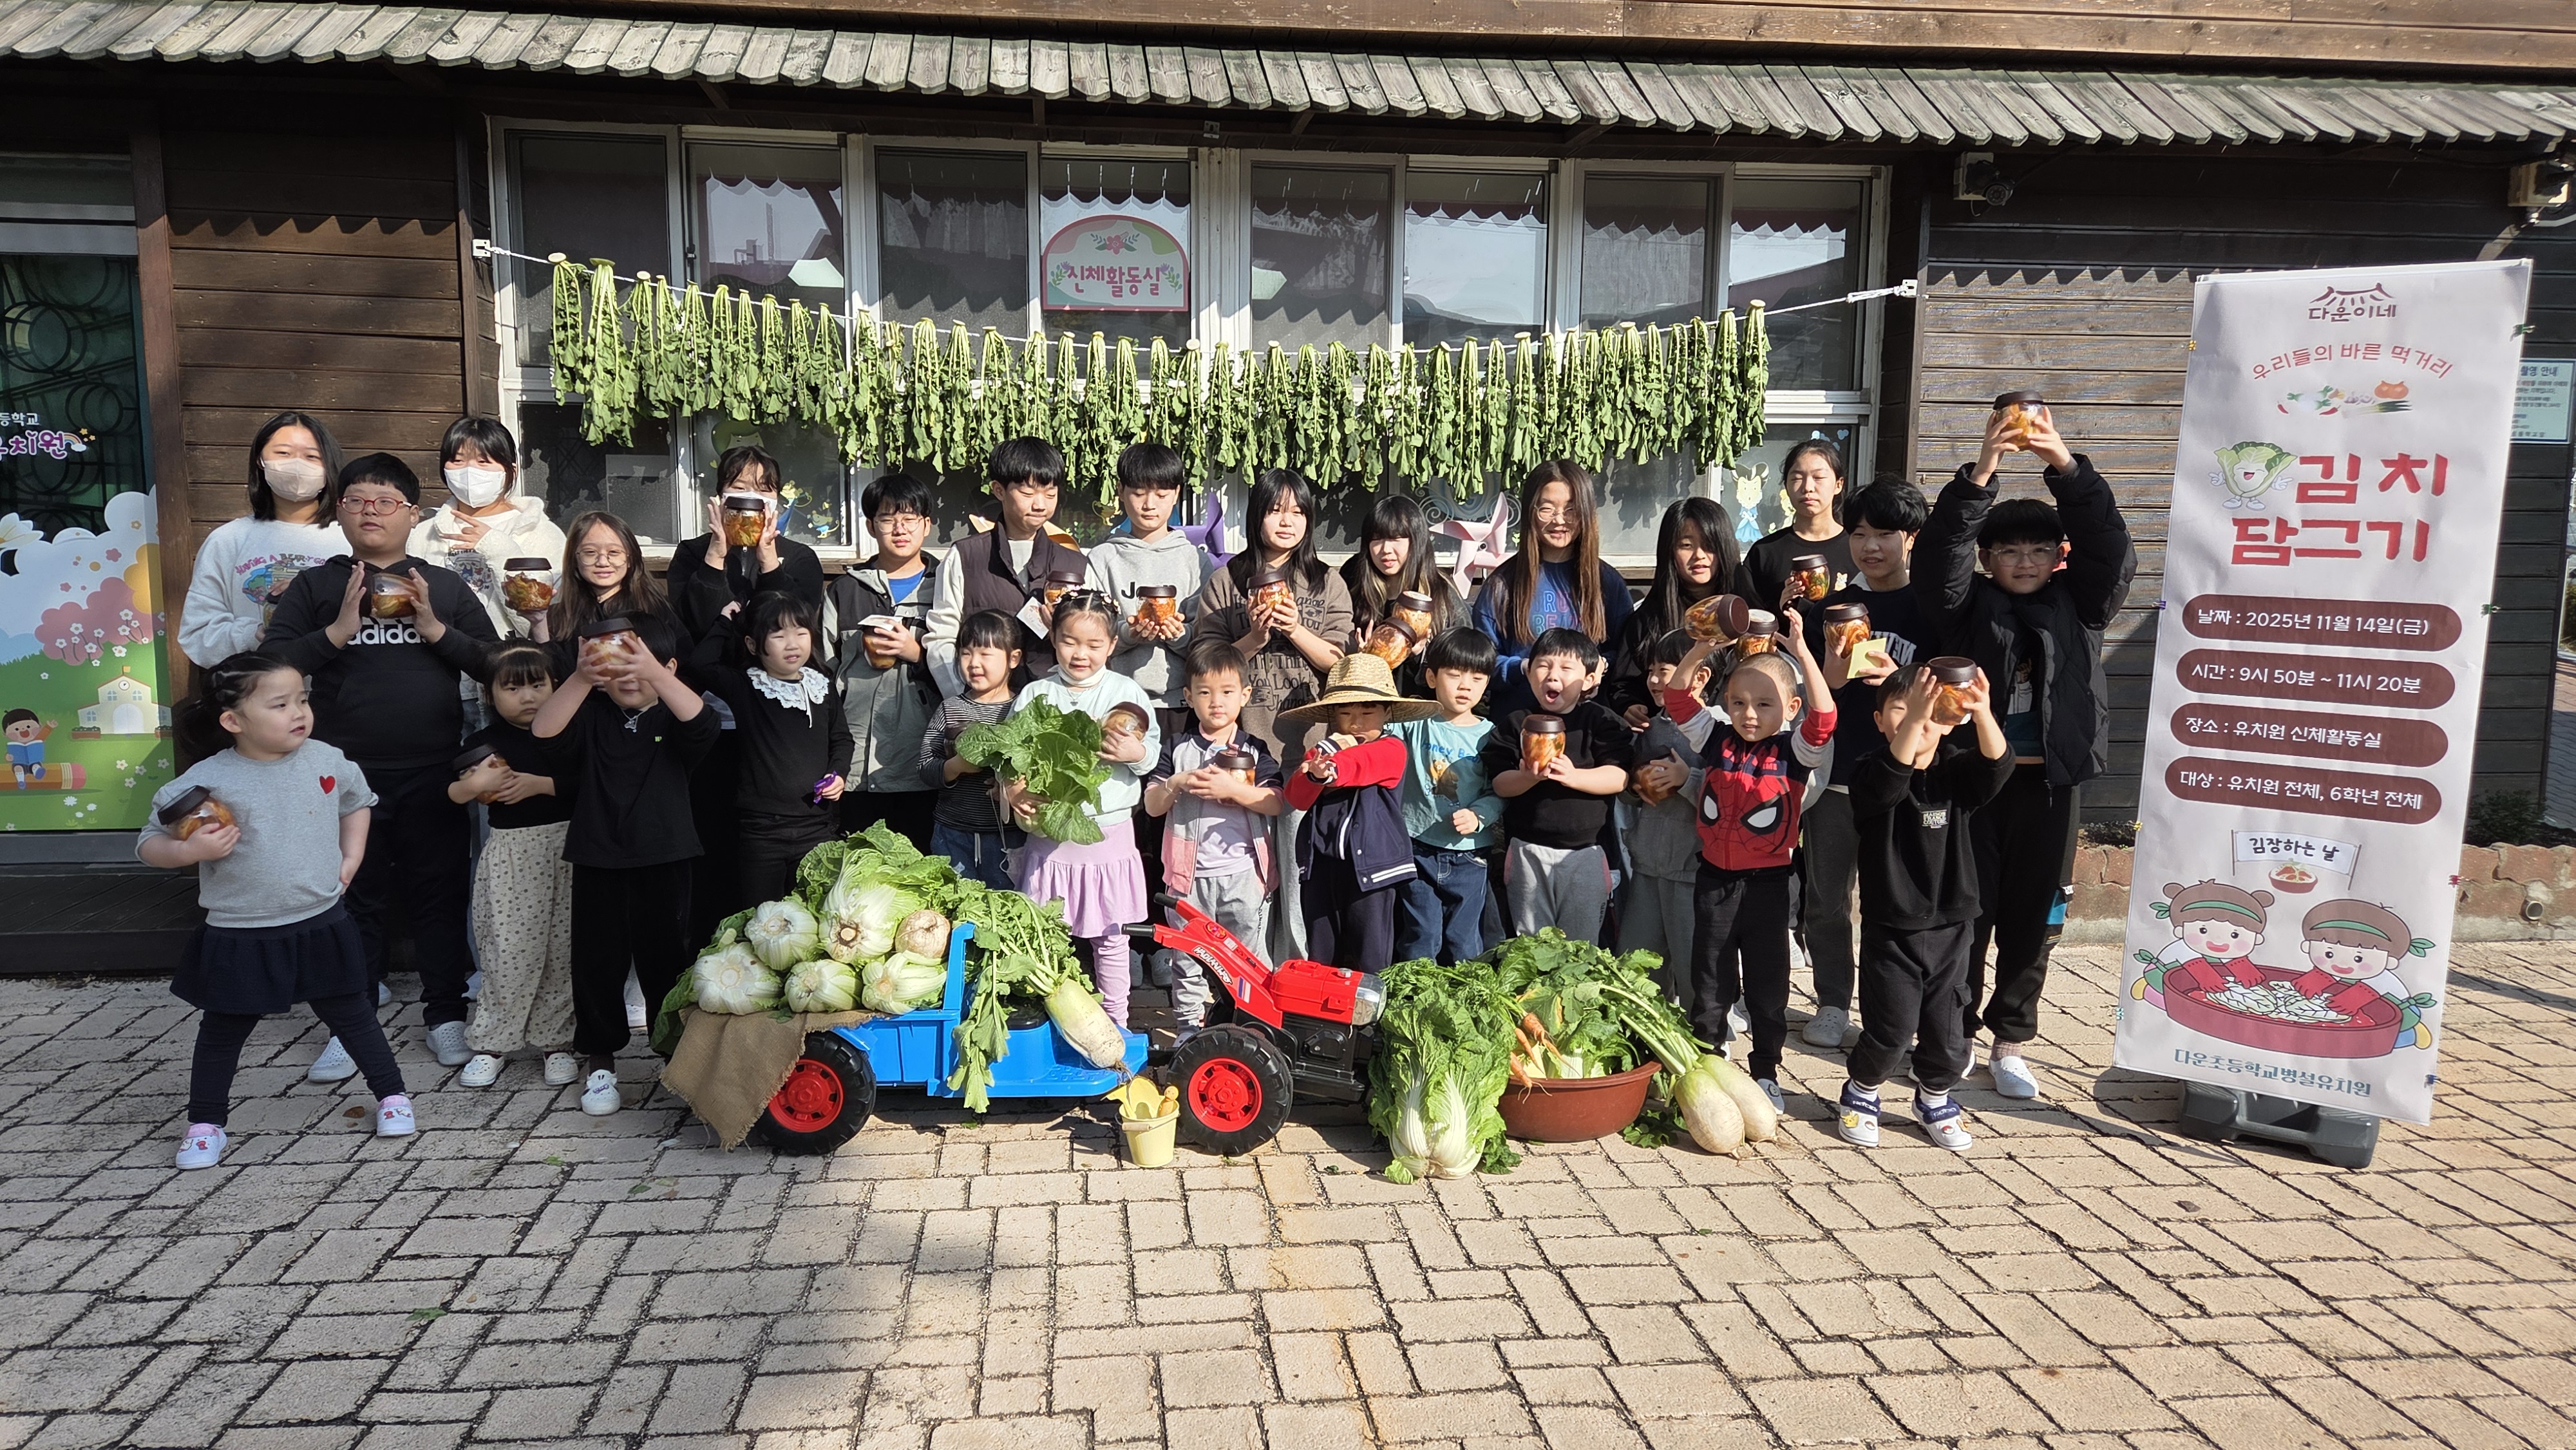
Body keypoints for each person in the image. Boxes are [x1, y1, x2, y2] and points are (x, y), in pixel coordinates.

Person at [1916, 404, 2136, 1100]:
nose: (2023, 561)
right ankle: (1950, 1031)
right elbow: (1939, 554)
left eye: (2038, 550)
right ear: (1988, 558)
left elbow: (2110, 545)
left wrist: (2062, 463)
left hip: (2050, 786)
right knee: (1964, 910)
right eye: (2008, 550)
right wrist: (1982, 468)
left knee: (2033, 917)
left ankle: (2010, 1038)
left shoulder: (2084, 602)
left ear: (2057, 556)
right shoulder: (1963, 603)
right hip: (1974, 784)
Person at [260, 453, 498, 1078]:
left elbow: (497, 665)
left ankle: (445, 1015)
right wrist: (339, 629)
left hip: (432, 771)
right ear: (339, 510)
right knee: (351, 899)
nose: (370, 510)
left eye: (385, 501)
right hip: (341, 775)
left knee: (439, 896)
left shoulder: (442, 584)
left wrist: (433, 626)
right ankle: (352, 1022)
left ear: (412, 514)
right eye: (358, 499)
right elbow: (273, 662)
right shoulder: (316, 585)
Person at [140, 652, 408, 1169]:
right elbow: (150, 841)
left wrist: (351, 856)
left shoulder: (326, 758)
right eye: (280, 704)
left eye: (302, 699)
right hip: (240, 930)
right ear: (233, 721)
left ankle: (393, 1098)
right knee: (222, 1030)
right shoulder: (207, 780)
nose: (298, 712)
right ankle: (205, 1125)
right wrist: (188, 852)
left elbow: (357, 801)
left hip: (320, 920)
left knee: (353, 1015)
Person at [533, 612, 719, 1116]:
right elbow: (544, 733)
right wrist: (581, 676)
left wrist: (655, 672)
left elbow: (704, 723)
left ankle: (675, 1059)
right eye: (619, 668)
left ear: (670, 668)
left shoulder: (674, 717)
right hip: (598, 856)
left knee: (666, 962)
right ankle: (600, 1062)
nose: (630, 678)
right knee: (597, 964)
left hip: (666, 857)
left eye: (645, 666)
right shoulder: (593, 714)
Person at [1658, 623, 1837, 1113]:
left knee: (1766, 983)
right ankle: (1711, 1058)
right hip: (1714, 880)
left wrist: (1801, 652)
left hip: (1769, 886)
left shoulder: (1795, 752)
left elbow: (1824, 718)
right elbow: (1678, 699)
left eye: (1764, 704)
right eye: (1738, 702)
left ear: (1790, 710)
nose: (1749, 714)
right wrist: (1700, 649)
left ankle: (1766, 1070)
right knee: (1710, 976)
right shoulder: (1717, 739)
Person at [1840, 663, 2012, 1152]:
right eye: (1901, 712)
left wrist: (1982, 713)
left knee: (1950, 1032)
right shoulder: (1869, 772)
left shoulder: (1956, 770)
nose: (1918, 723)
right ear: (1879, 721)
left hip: (1953, 925)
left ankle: (1934, 1096)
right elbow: (1890, 784)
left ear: (1949, 721)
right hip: (1891, 928)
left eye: (1932, 715)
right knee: (1891, 1029)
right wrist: (1916, 719)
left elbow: (1996, 768)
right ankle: (1862, 1090)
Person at [1190, 468, 1352, 963]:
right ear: (1257, 513)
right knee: (1247, 876)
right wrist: (1256, 638)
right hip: (1243, 750)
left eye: (1298, 511)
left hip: (1307, 750)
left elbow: (1342, 665)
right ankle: (1243, 974)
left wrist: (1297, 630)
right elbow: (1205, 660)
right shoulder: (1226, 581)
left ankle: (1294, 971)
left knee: (1299, 875)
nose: (1287, 521)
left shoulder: (1329, 582)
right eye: (1276, 509)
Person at [1801, 477, 1930, 1050]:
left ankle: (1894, 1007)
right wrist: (1834, 668)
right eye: (1858, 534)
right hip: (1837, 777)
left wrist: (1899, 682)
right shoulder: (1831, 609)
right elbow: (1811, 696)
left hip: (1904, 781)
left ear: (1911, 538)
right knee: (1826, 897)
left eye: (1885, 534)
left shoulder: (1932, 605)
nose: (1870, 547)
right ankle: (1832, 1000)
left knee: (1895, 900)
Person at [1005, 593, 1160, 1029]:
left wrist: (1136, 751)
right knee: (1043, 937)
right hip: (1050, 836)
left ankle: (1116, 1024)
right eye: (1070, 641)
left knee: (1110, 940)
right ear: (1054, 639)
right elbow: (1011, 756)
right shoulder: (1038, 693)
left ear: (1112, 645)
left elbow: (1152, 758)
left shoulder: (1126, 692)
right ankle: (1047, 1025)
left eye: (1094, 645)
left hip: (1107, 834)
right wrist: (1016, 791)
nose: (1081, 653)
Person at [448, 644, 577, 1090]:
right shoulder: (482, 746)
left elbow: (590, 783)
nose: (528, 697)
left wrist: (539, 785)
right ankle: (492, 1043)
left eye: (538, 685)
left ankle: (556, 1042)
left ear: (556, 687)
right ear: (489, 695)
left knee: (562, 953)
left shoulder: (567, 735)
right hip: (512, 855)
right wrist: (476, 785)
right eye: (514, 687)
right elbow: (451, 793)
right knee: (507, 950)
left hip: (567, 850)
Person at [1143, 642, 1285, 1037]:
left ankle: (1249, 1024)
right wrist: (1178, 783)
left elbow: (1275, 802)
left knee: (1246, 958)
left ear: (1245, 695)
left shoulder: (1255, 750)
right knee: (1187, 958)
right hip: (1188, 881)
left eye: (1226, 692)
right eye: (1204, 693)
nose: (1216, 702)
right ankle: (1189, 1028)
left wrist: (1234, 789)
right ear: (1188, 697)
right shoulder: (1177, 748)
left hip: (1245, 875)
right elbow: (1153, 804)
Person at [699, 592, 853, 908]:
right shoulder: (746, 687)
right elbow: (699, 664)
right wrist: (724, 621)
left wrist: (838, 774)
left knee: (814, 917)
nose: (792, 644)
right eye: (779, 635)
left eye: (800, 633)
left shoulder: (821, 685)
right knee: (762, 919)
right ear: (754, 645)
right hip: (762, 833)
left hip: (817, 828)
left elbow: (842, 739)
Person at [1281, 654, 1434, 972]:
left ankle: (1368, 1020)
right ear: (1333, 716)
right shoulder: (1322, 751)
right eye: (1346, 713)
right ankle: (1319, 1018)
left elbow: (1358, 766)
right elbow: (1295, 796)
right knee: (1322, 954)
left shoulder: (1392, 748)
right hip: (1321, 866)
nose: (1356, 722)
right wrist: (1312, 774)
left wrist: (1326, 769)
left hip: (1372, 871)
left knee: (1371, 956)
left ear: (1387, 712)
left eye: (1368, 712)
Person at [1482, 628, 1635, 943]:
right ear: (1529, 671)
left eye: (1567, 669)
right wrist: (1527, 777)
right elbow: (1500, 783)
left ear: (1590, 680)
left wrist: (1574, 777)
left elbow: (1620, 777)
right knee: (1531, 940)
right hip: (1526, 849)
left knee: (1582, 942)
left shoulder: (1601, 722)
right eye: (1543, 665)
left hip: (1588, 852)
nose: (1553, 676)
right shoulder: (1516, 724)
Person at [178, 411, 347, 668]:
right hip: (259, 699)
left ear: (330, 466)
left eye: (312, 456)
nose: (297, 465)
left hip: (339, 696)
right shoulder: (228, 540)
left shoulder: (351, 538)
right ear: (260, 460)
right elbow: (197, 634)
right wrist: (253, 634)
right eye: (283, 453)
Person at [829, 473, 941, 851]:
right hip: (858, 762)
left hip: (922, 756)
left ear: (926, 525)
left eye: (910, 519)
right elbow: (822, 672)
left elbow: (967, 667)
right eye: (888, 519)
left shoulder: (945, 587)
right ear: (870, 525)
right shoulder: (846, 590)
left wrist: (917, 654)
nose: (900, 529)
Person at [927, 438, 1085, 693]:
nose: (1040, 504)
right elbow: (941, 638)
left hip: (1057, 708)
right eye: (1027, 493)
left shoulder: (1076, 564)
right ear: (999, 490)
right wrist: (967, 699)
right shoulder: (966, 557)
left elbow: (1093, 640)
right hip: (984, 710)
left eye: (1050, 493)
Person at [1476, 460, 1633, 716]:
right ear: (1530, 512)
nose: (1559, 520)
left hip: (1587, 733)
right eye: (1547, 509)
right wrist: (1523, 668)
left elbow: (1625, 653)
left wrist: (1600, 666)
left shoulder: (1607, 582)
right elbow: (1481, 662)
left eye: (1571, 509)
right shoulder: (1503, 584)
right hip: (1517, 727)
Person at [1385, 628, 1501, 966]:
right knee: (1422, 936)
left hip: (1470, 857)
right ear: (1431, 677)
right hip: (1417, 849)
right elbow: (1379, 716)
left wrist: (1479, 816)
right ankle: (1415, 1004)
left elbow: (1499, 791)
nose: (1466, 686)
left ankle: (1464, 1005)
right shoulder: (1414, 721)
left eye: (1478, 678)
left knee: (1464, 941)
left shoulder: (1490, 735)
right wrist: (1383, 659)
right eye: (1455, 675)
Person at [1618, 630, 1716, 1008]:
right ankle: (1647, 1041)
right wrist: (1634, 786)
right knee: (1637, 964)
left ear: (1701, 677)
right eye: (1652, 671)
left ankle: (1706, 1038)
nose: (1656, 680)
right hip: (1647, 865)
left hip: (1692, 871)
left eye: (1665, 670)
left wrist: (1686, 780)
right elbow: (1632, 786)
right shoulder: (1651, 726)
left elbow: (1728, 793)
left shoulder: (1716, 728)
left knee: (1695, 963)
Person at [407, 415, 567, 642]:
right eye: (458, 461)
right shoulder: (425, 534)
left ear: (510, 469)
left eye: (483, 462)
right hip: (443, 666)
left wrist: (500, 550)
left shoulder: (542, 534)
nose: (470, 471)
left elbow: (544, 626)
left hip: (512, 667)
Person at [1087, 442, 1211, 727]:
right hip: (1117, 701)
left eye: (1161, 494)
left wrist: (1179, 634)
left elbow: (1208, 638)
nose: (1149, 505)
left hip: (1182, 703)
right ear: (1120, 492)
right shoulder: (1103, 558)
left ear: (1177, 494)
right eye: (1139, 493)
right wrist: (1129, 634)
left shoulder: (1194, 560)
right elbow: (1090, 636)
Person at [665, 442, 827, 643]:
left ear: (777, 498)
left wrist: (770, 564)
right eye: (740, 487)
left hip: (772, 671)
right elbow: (696, 624)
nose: (752, 498)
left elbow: (796, 625)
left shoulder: (800, 557)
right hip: (707, 669)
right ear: (721, 496)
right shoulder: (691, 552)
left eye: (764, 489)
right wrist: (715, 556)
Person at [1607, 496, 1739, 724]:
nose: (1699, 555)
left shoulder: (1744, 612)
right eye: (1686, 545)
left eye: (1709, 544)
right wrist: (1629, 705)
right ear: (1670, 551)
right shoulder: (1647, 619)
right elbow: (1624, 683)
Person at [921, 610, 1023, 891]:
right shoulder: (950, 709)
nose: (974, 664)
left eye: (985, 654)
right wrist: (955, 767)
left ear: (1013, 658)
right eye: (966, 654)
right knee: (956, 905)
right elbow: (925, 767)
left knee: (1005, 911)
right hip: (952, 834)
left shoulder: (1020, 710)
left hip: (1008, 839)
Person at [1340, 492, 1467, 696]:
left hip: (1423, 713)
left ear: (1416, 541)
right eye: (1376, 539)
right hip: (1366, 707)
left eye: (1396, 539)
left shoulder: (1441, 592)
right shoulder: (1353, 580)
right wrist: (1361, 658)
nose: (1385, 550)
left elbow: (1464, 664)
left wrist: (1419, 654)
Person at [1736, 438, 1854, 617]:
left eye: (1818, 478)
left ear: (1839, 485)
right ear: (1787, 486)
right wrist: (1779, 607)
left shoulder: (1857, 549)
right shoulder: (1765, 552)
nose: (1808, 488)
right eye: (1797, 478)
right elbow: (1749, 621)